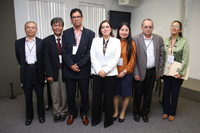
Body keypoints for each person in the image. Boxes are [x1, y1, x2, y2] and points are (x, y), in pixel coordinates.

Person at [62, 8, 95, 126]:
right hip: (69, 68)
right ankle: (72, 113)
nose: (76, 19)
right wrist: (71, 65)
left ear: (82, 18)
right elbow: (64, 51)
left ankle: (84, 113)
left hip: (83, 68)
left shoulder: (90, 33)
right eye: (74, 17)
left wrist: (79, 65)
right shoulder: (65, 33)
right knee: (70, 93)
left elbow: (90, 52)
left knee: (84, 93)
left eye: (78, 16)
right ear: (71, 20)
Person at [90, 20, 121, 128]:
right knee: (96, 97)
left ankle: (108, 120)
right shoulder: (95, 40)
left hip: (111, 74)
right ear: (100, 29)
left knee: (108, 97)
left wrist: (105, 71)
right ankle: (95, 119)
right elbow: (92, 56)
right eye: (103, 27)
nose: (105, 29)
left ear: (111, 28)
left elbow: (116, 58)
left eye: (107, 26)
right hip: (97, 73)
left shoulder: (116, 41)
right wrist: (99, 70)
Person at [132, 19, 164, 123]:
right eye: (146, 27)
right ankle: (136, 112)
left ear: (153, 27)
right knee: (138, 94)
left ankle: (145, 112)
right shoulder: (135, 39)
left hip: (152, 71)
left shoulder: (159, 39)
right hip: (139, 71)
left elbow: (162, 56)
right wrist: (135, 73)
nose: (148, 29)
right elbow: (133, 58)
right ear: (142, 28)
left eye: (150, 27)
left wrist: (159, 72)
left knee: (148, 94)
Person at [15, 21, 45, 125]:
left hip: (38, 70)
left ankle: (41, 115)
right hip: (26, 70)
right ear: (25, 30)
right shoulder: (18, 42)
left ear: (36, 30)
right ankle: (29, 116)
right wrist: (26, 65)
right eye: (28, 27)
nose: (30, 29)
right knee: (28, 96)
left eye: (33, 28)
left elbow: (44, 58)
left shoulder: (42, 42)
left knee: (40, 95)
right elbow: (19, 58)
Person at [162, 20, 189, 121]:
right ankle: (165, 111)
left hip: (177, 72)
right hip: (166, 71)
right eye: (172, 26)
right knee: (166, 91)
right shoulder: (165, 41)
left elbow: (185, 58)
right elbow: (162, 56)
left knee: (175, 93)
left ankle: (172, 112)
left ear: (180, 29)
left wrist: (181, 73)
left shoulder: (184, 41)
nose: (174, 27)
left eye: (176, 26)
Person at [43, 17, 68, 122]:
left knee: (64, 93)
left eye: (59, 25)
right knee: (55, 93)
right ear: (52, 27)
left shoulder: (67, 39)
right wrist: (48, 74)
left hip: (66, 70)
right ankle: (57, 112)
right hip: (53, 71)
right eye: (55, 25)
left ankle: (63, 112)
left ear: (62, 27)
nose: (57, 27)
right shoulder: (47, 41)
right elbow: (46, 59)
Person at [113, 22, 136, 123]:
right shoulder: (114, 41)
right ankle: (116, 111)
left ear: (129, 32)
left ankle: (123, 112)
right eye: (122, 30)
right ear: (118, 31)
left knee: (126, 94)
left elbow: (132, 60)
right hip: (114, 73)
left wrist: (124, 71)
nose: (124, 32)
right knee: (115, 94)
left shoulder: (132, 43)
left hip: (127, 73)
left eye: (126, 30)